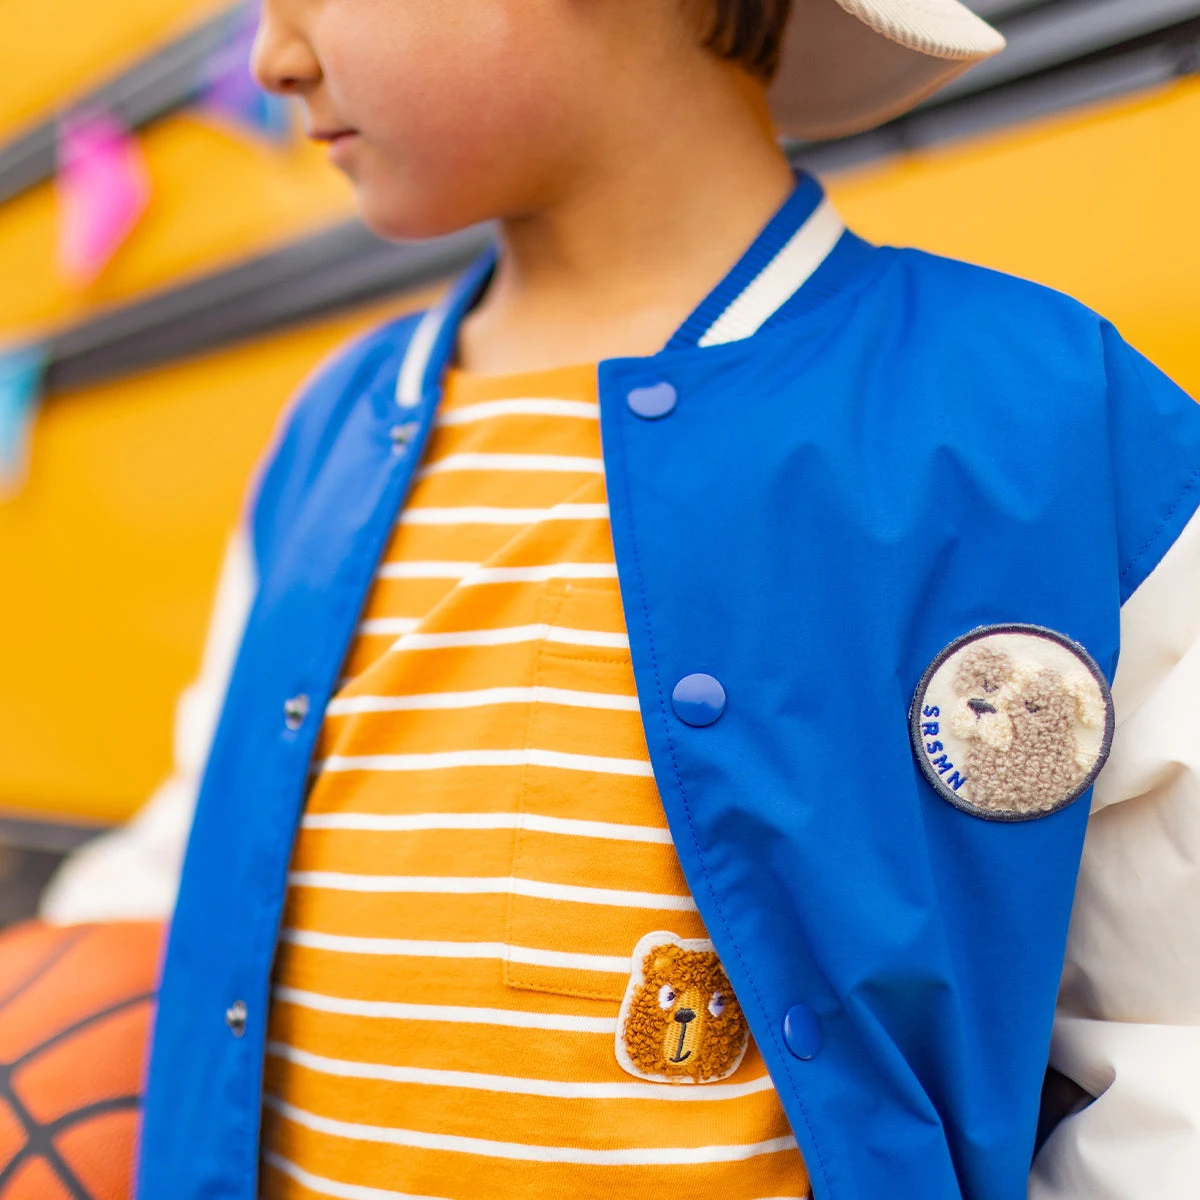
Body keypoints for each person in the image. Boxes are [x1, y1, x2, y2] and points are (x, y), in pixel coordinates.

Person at [38, 1, 1200, 1198]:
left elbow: (1174, 1059)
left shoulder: (1043, 426)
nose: (272, 57)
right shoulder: (325, 430)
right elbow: (212, 830)